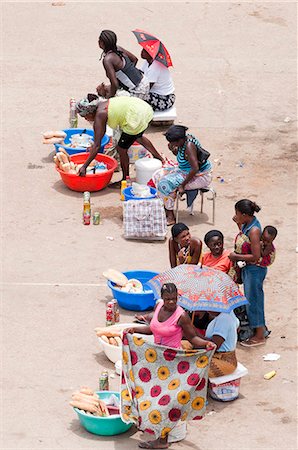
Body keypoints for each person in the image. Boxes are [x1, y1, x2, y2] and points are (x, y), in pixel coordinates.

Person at [126, 283, 215, 449]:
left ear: (178, 297)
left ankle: (162, 440)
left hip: (172, 362)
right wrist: (134, 329)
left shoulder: (182, 316)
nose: (171, 303)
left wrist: (206, 344)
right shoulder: (159, 307)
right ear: (162, 298)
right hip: (154, 358)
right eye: (168, 299)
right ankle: (152, 425)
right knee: (148, 393)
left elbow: (192, 338)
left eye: (174, 299)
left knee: (165, 401)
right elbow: (153, 329)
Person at [75, 94, 163, 181]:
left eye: (85, 116)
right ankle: (160, 158)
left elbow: (97, 145)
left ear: (90, 112)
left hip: (136, 117)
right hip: (143, 108)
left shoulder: (100, 115)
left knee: (121, 148)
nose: (86, 119)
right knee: (137, 137)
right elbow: (97, 141)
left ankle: (125, 179)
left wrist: (84, 166)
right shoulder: (103, 104)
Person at [152, 125, 212, 225]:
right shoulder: (184, 140)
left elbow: (195, 168)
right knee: (158, 174)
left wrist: (182, 185)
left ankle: (170, 215)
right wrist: (173, 149)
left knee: (164, 184)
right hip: (185, 170)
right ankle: (166, 205)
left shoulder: (189, 146)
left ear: (180, 140)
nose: (171, 143)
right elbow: (182, 157)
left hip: (199, 176)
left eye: (172, 142)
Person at [229, 199, 268, 347]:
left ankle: (259, 336)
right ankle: (257, 328)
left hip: (255, 270)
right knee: (250, 299)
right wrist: (238, 224)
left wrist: (235, 256)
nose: (235, 215)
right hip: (248, 269)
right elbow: (244, 240)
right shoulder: (247, 224)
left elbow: (255, 256)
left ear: (245, 215)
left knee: (254, 301)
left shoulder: (254, 230)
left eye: (237, 213)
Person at [96, 30, 150, 100]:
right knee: (106, 89)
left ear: (102, 43)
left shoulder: (107, 60)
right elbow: (134, 59)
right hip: (144, 82)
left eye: (99, 40)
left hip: (138, 91)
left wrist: (108, 97)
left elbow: (114, 84)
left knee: (104, 99)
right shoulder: (118, 48)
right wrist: (130, 75)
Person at [204, 311, 239, 377]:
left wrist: (195, 335)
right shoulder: (228, 313)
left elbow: (215, 345)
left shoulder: (224, 318)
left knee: (193, 368)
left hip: (222, 360)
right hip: (222, 357)